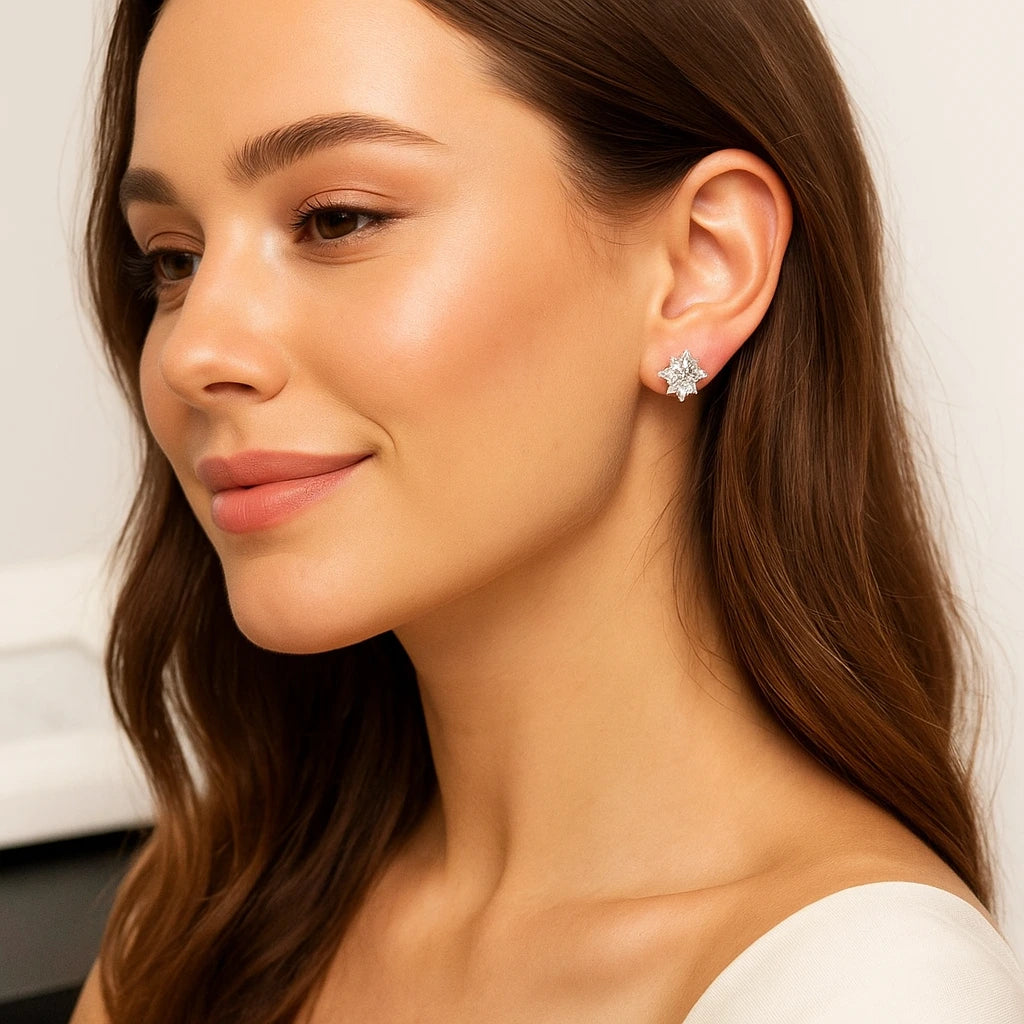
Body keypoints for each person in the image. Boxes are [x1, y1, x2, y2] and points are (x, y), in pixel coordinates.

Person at [71, 0, 1024, 1021]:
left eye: (336, 219)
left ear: (702, 267)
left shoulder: (865, 990)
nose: (192, 351)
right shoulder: (206, 901)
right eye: (171, 257)